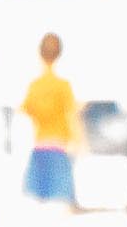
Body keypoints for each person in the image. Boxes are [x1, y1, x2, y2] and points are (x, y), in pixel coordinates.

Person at [23, 33, 83, 204]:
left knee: (37, 203)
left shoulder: (34, 86)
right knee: (59, 205)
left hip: (39, 149)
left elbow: (26, 111)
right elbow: (72, 116)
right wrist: (79, 142)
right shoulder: (63, 86)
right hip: (58, 150)